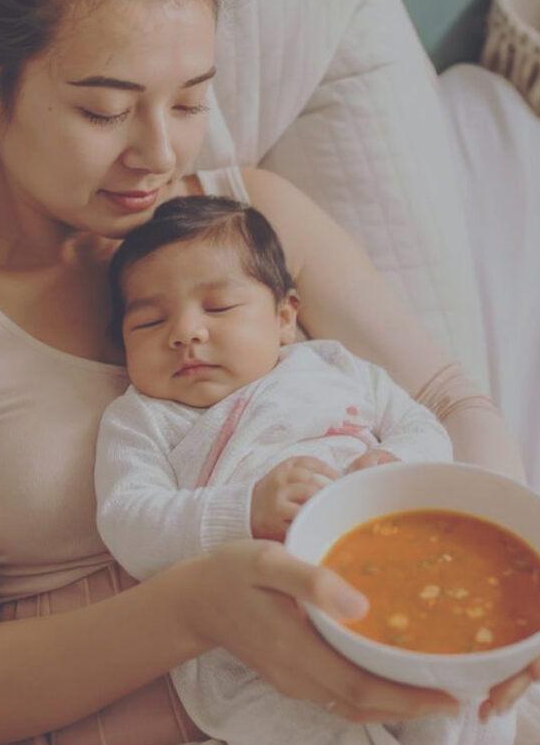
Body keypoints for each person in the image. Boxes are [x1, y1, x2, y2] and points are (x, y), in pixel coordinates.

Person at [0, 0, 540, 744]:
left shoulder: (251, 219)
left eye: (189, 102)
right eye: (105, 110)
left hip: (399, 675)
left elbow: (449, 402)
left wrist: (513, 578)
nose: (158, 153)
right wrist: (197, 610)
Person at [94, 194, 518, 745]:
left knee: (466, 703)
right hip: (257, 646)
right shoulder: (143, 419)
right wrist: (243, 512)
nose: (185, 332)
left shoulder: (334, 367)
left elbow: (425, 428)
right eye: (149, 321)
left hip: (393, 587)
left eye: (218, 307)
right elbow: (129, 521)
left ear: (286, 318)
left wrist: (393, 465)